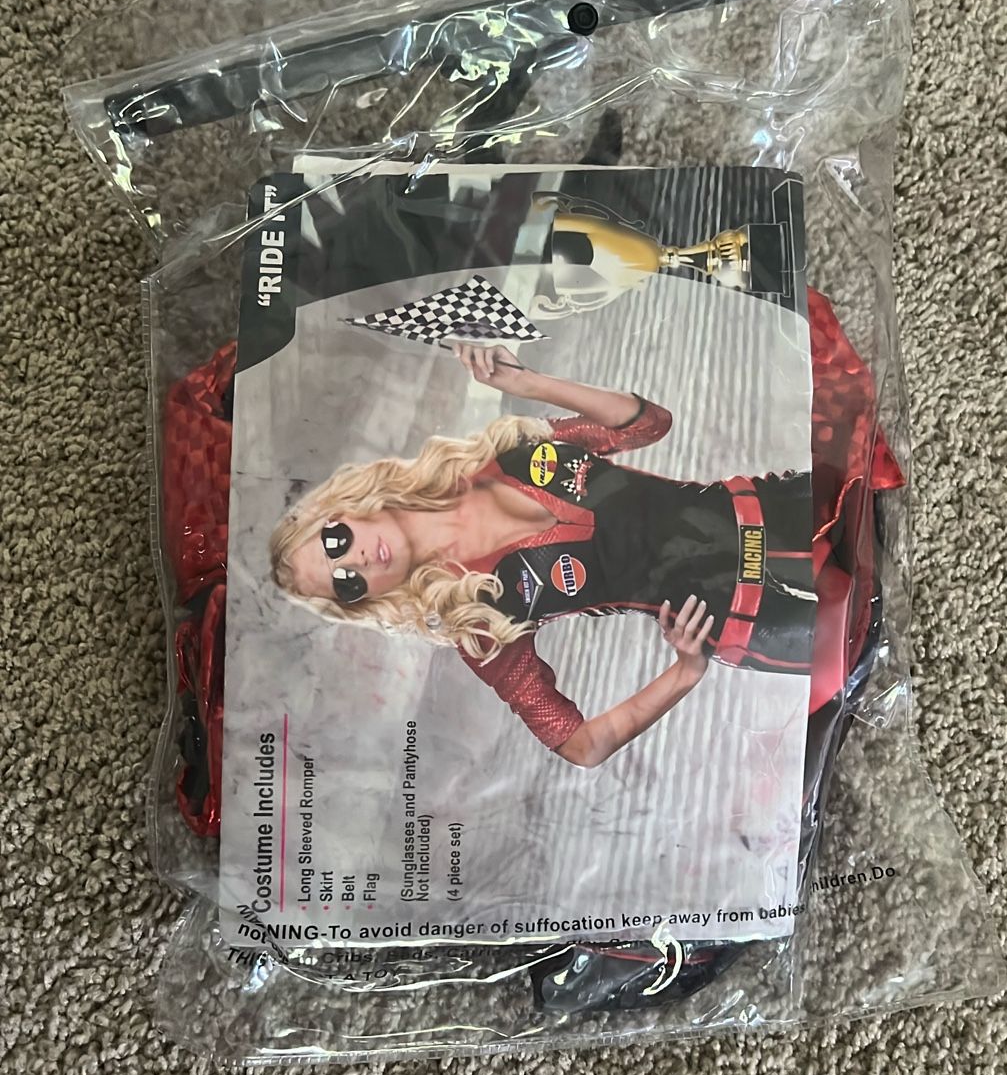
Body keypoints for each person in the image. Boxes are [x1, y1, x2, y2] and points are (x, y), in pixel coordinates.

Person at [270, 290, 902, 767]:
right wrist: (685, 672)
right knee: (878, 633)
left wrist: (526, 381)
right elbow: (580, 745)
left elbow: (647, 424)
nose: (356, 561)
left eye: (334, 543)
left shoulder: (499, 453)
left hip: (772, 508)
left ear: (346, 507)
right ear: (365, 600)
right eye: (345, 583)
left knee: (880, 516)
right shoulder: (477, 624)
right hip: (749, 615)